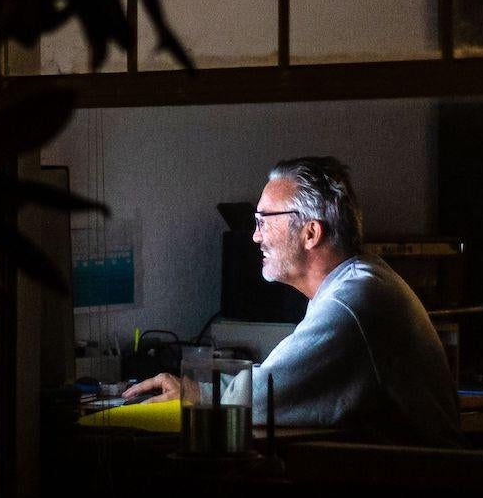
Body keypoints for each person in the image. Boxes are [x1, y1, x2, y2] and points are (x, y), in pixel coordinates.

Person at [122, 156, 461, 446]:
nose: (255, 236)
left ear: (311, 233)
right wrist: (197, 388)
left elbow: (261, 397)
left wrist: (194, 393)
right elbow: (277, 380)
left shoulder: (352, 300)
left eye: (263, 221)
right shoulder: (356, 282)